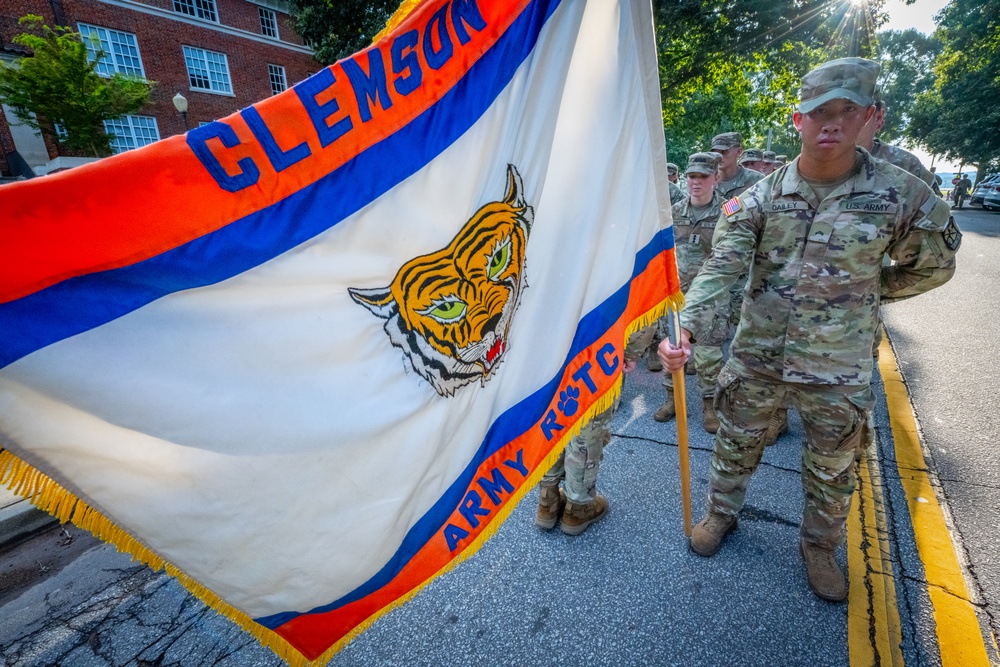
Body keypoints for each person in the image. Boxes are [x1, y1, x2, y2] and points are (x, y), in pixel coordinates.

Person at [658, 57, 960, 602]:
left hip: (837, 366)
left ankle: (819, 547)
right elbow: (721, 270)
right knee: (735, 443)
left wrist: (867, 290)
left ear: (870, 116)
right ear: (798, 119)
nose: (832, 123)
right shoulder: (756, 198)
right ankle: (721, 515)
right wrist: (685, 334)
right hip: (757, 358)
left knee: (833, 465)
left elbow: (934, 265)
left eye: (847, 110)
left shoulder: (902, 193)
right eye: (819, 111)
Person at [537, 326, 654, 535]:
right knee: (589, 426)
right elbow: (638, 300)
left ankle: (547, 501)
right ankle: (577, 509)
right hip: (599, 347)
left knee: (551, 419)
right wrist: (631, 352)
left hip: (546, 346)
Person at [653, 153, 728, 433]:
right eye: (692, 176)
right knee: (672, 350)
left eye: (703, 176)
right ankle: (672, 399)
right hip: (677, 297)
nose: (696, 182)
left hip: (711, 299)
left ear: (716, 178)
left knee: (709, 356)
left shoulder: (729, 213)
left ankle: (710, 404)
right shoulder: (673, 212)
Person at [712, 132, 764, 199]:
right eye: (715, 153)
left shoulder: (757, 180)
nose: (719, 157)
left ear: (739, 151)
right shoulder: (706, 181)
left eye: (724, 152)